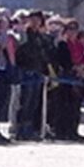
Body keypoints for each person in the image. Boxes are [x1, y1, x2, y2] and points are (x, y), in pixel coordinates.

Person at [12, 10, 51, 142]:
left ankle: (30, 129)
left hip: (37, 70)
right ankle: (20, 129)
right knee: (25, 101)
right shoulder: (24, 34)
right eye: (33, 19)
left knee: (34, 102)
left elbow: (44, 53)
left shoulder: (40, 37)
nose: (35, 22)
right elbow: (20, 51)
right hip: (26, 70)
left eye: (38, 20)